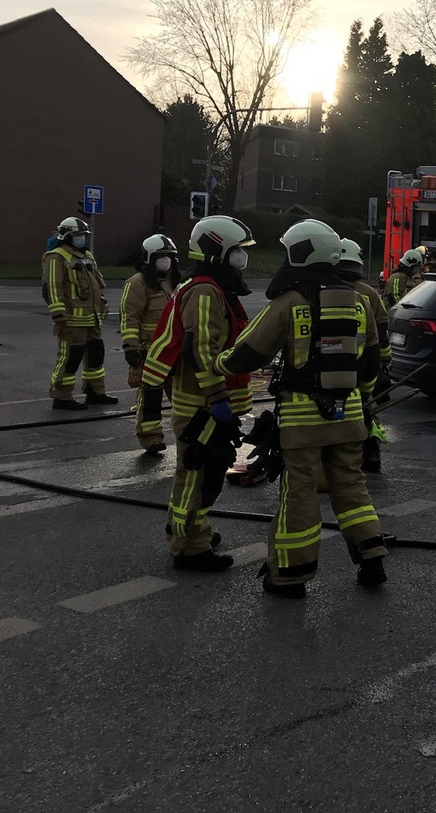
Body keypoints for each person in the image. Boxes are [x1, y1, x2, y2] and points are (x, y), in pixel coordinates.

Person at [215, 219, 388, 598]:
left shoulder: (291, 301)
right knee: (351, 486)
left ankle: (291, 575)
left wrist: (218, 365)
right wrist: (358, 403)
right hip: (350, 417)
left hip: (302, 422)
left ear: (300, 252)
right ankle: (372, 559)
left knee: (300, 493)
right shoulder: (359, 302)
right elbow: (372, 366)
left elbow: (249, 352)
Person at [141, 216, 255, 572]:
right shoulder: (205, 289)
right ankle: (190, 547)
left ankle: (189, 530)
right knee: (198, 473)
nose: (241, 258)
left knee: (200, 471)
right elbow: (201, 349)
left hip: (203, 400)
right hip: (202, 404)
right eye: (237, 251)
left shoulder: (209, 284)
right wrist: (220, 397)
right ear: (217, 249)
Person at [41, 216, 118, 410]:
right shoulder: (56, 257)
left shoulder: (87, 257)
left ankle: (95, 392)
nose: (82, 238)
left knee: (95, 354)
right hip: (71, 321)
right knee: (70, 357)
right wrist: (59, 316)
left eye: (83, 235)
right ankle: (62, 396)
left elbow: (96, 286)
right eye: (78, 235)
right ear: (66, 236)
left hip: (92, 319)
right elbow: (52, 288)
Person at [119, 234, 180, 454]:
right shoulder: (137, 283)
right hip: (150, 353)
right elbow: (129, 316)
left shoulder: (176, 283)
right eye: (161, 256)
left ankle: (188, 434)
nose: (166, 260)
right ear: (148, 258)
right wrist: (131, 347)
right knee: (150, 399)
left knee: (183, 397)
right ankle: (151, 438)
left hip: (175, 352)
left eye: (169, 256)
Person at [338, 237, 391, 473]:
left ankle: (342, 458)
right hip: (364, 367)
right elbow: (380, 335)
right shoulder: (369, 293)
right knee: (367, 411)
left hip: (334, 368)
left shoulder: (321, 291)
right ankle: (371, 451)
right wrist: (384, 366)